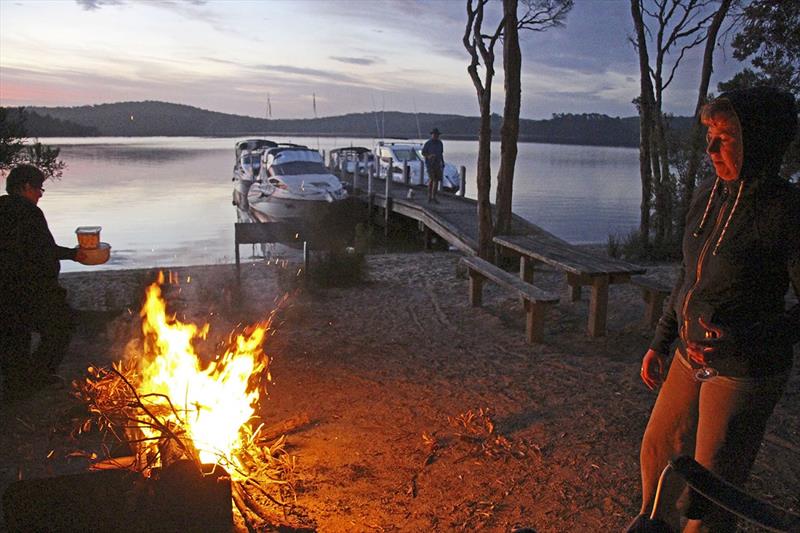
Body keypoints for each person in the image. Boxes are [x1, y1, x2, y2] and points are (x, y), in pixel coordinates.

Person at [629, 87, 800, 533]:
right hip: (689, 356)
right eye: (708, 134)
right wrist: (661, 341)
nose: (710, 148)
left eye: (724, 137)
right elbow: (689, 278)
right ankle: (653, 526)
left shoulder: (786, 211)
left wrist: (746, 337)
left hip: (744, 368)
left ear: (758, 141)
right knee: (658, 449)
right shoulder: (708, 195)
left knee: (709, 486)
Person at [0, 164, 89, 402]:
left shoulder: (1, 207)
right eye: (39, 188)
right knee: (61, 326)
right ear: (26, 187)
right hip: (28, 289)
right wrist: (73, 254)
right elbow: (43, 251)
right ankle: (37, 377)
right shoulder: (29, 212)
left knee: (14, 336)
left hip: (6, 289)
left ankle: (15, 385)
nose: (40, 193)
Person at [422, 128, 444, 203]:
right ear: (432, 135)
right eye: (434, 134)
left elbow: (441, 154)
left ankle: (434, 196)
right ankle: (429, 196)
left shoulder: (440, 143)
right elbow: (423, 153)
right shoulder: (428, 143)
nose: (436, 136)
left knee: (437, 180)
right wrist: (429, 156)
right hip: (430, 164)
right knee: (432, 179)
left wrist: (442, 162)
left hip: (437, 164)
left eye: (437, 135)